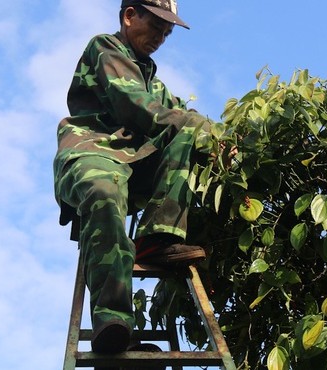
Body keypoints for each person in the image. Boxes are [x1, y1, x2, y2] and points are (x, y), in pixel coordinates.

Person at [53, 0, 213, 357]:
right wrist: (200, 127)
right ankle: (113, 320)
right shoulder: (105, 49)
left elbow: (181, 116)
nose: (160, 38)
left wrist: (223, 143)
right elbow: (134, 105)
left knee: (187, 133)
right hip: (93, 153)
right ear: (129, 16)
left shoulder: (153, 82)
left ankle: (159, 238)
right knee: (104, 191)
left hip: (134, 165)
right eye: (156, 27)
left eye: (166, 33)